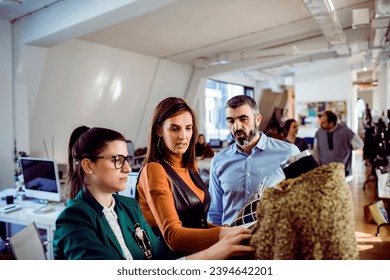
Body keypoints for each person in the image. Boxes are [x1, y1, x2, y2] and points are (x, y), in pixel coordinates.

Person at [53, 126, 254, 260]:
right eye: (117, 160)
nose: (126, 169)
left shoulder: (128, 206)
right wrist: (210, 255)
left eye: (127, 159)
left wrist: (216, 246)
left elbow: (160, 255)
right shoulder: (73, 220)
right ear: (88, 165)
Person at [136, 97, 253, 257]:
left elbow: (196, 224)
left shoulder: (189, 167)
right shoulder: (154, 170)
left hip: (201, 254)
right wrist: (223, 234)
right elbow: (173, 237)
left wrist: (225, 230)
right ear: (159, 130)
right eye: (174, 129)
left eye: (188, 128)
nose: (183, 136)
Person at [208, 95, 300, 226]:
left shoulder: (288, 152)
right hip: (231, 241)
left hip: (273, 239)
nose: (237, 126)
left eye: (243, 119)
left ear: (257, 119)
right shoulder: (218, 161)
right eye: (231, 121)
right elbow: (215, 212)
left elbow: (302, 202)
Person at [311, 110, 364, 177]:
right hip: (324, 170)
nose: (320, 124)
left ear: (331, 123)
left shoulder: (345, 132)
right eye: (321, 122)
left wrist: (347, 147)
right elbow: (316, 151)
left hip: (341, 171)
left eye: (323, 122)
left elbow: (360, 144)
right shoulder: (319, 133)